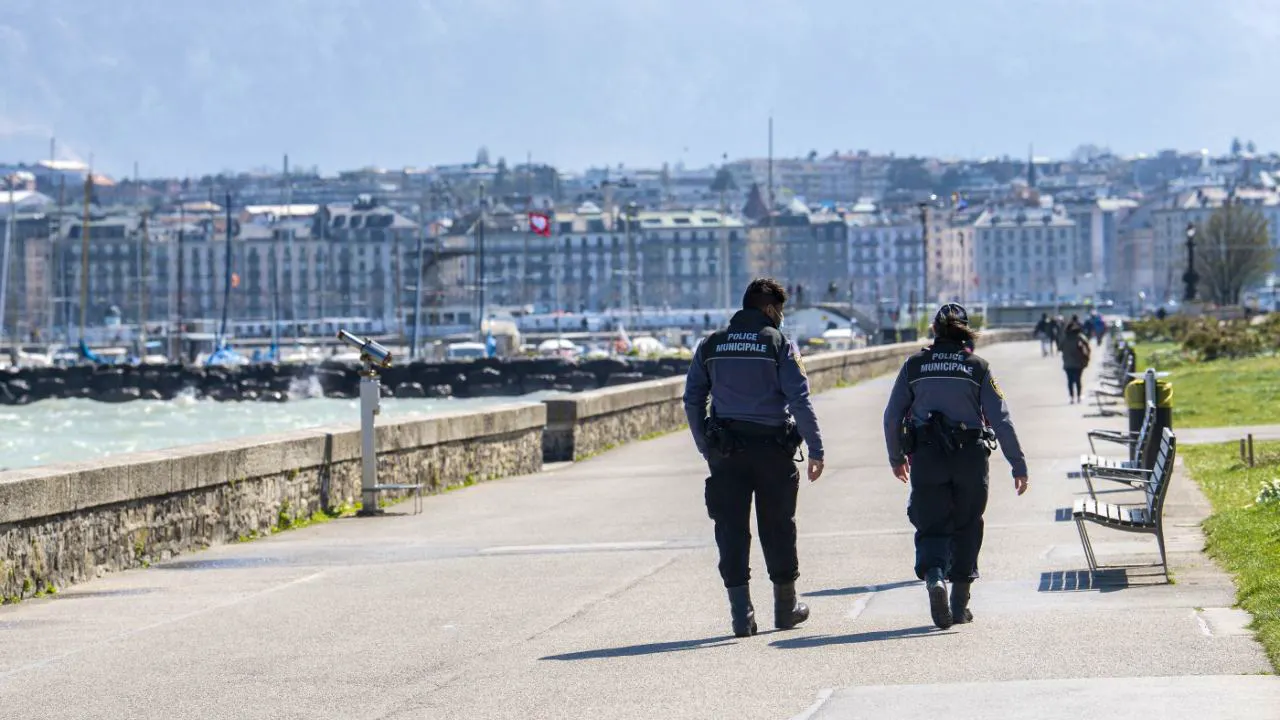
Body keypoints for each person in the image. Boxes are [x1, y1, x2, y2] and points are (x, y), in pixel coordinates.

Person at [683, 278, 825, 638]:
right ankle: (785, 609)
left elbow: (693, 399)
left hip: (726, 451)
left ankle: (741, 616)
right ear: (769, 308)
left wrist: (704, 446)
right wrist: (816, 448)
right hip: (772, 450)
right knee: (778, 527)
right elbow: (799, 400)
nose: (781, 316)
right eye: (780, 310)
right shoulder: (779, 344)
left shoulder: (711, 344)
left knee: (730, 529)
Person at [882, 303, 1028, 629]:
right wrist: (1018, 465)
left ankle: (935, 576)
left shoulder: (914, 366)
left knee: (931, 524)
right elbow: (1001, 420)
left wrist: (896, 458)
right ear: (966, 332)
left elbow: (892, 416)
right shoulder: (978, 367)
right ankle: (959, 606)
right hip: (969, 458)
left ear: (934, 330)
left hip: (927, 456)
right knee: (968, 524)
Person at [1060, 317, 1091, 403]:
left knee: (1070, 380)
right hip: (1078, 362)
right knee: (1078, 380)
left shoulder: (1065, 338)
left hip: (1067, 363)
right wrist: (1087, 357)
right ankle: (1079, 396)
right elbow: (1088, 347)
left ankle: (1071, 397)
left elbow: (1060, 347)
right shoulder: (1080, 337)